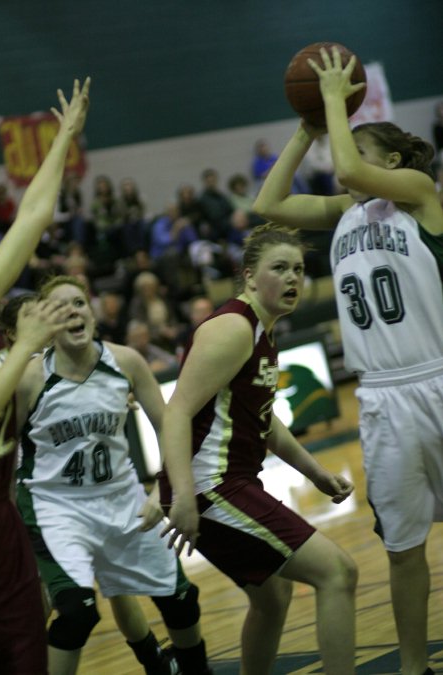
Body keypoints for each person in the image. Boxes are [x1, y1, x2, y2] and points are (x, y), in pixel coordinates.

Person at [253, 46, 443, 675]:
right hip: (383, 398)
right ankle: (415, 668)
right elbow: (269, 206)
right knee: (403, 550)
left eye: (357, 149)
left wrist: (334, 100)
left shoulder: (419, 193)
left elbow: (349, 170)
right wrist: (304, 127)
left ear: (391, 161)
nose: (343, 159)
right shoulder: (348, 212)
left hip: (437, 377)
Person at [158, 222, 357, 675]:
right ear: (249, 276)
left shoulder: (261, 332)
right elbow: (176, 412)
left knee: (273, 596)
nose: (293, 278)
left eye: (299, 270)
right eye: (279, 268)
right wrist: (185, 496)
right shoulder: (233, 326)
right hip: (211, 487)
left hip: (228, 483)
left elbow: (264, 418)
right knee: (338, 574)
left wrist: (315, 473)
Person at [15, 275, 213, 675]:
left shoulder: (125, 362)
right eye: (60, 308)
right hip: (57, 507)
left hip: (122, 498)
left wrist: (165, 488)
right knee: (75, 612)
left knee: (181, 600)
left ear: (92, 312)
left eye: (79, 304)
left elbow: (170, 425)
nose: (72, 312)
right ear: (46, 325)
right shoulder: (30, 379)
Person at [0, 77, 90, 675]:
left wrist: (62, 139)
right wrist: (23, 346)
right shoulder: (14, 344)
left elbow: (32, 214)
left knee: (26, 647)